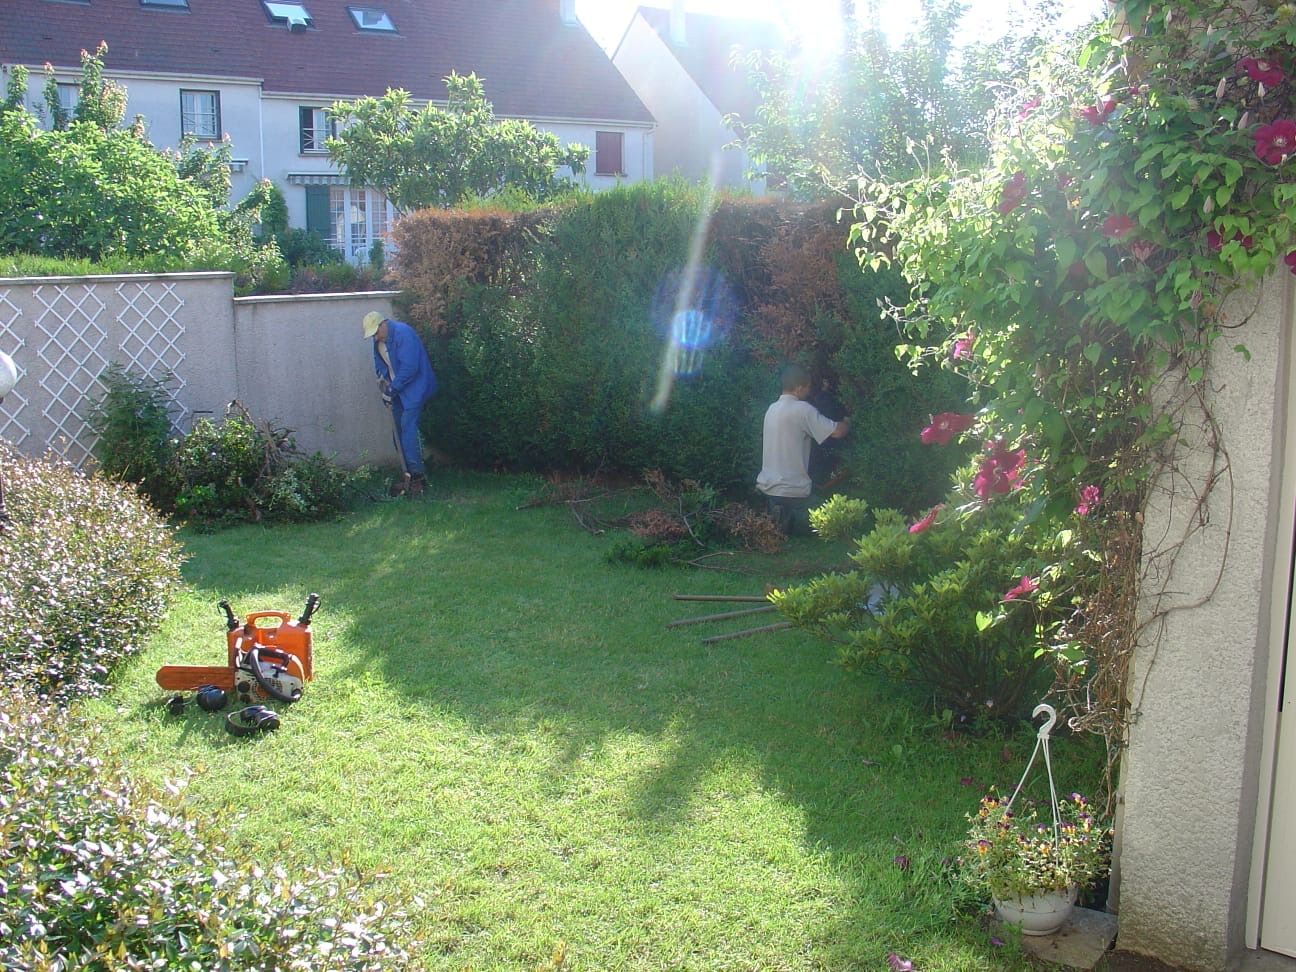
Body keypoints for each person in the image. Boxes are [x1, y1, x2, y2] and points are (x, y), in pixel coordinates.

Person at [756, 363, 848, 535]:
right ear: (799, 388)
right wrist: (848, 421)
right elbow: (837, 432)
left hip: (769, 490)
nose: (809, 391)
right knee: (836, 520)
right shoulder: (803, 410)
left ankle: (779, 517)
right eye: (808, 387)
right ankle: (791, 520)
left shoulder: (771, 409)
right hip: (794, 492)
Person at [363, 311, 437, 497]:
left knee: (408, 430)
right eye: (372, 335)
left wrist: (392, 389)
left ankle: (418, 477)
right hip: (396, 390)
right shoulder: (378, 341)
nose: (375, 337)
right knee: (397, 431)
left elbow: (410, 368)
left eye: (376, 333)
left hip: (415, 388)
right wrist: (384, 386)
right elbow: (379, 364)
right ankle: (407, 474)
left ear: (383, 325)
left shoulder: (404, 334)